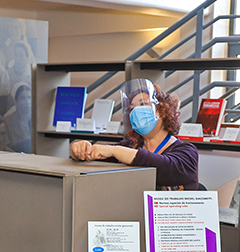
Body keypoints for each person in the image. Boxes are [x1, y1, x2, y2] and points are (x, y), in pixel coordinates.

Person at [70, 79, 200, 190]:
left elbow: (164, 167)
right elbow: (98, 155)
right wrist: (80, 150)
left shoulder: (187, 151)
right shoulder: (130, 147)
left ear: (162, 111)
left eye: (143, 104)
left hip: (174, 217)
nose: (136, 111)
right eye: (132, 108)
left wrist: (114, 150)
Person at [4, 82, 32, 153]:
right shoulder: (9, 120)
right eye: (23, 98)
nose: (27, 102)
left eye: (29, 97)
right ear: (16, 101)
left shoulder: (37, 118)